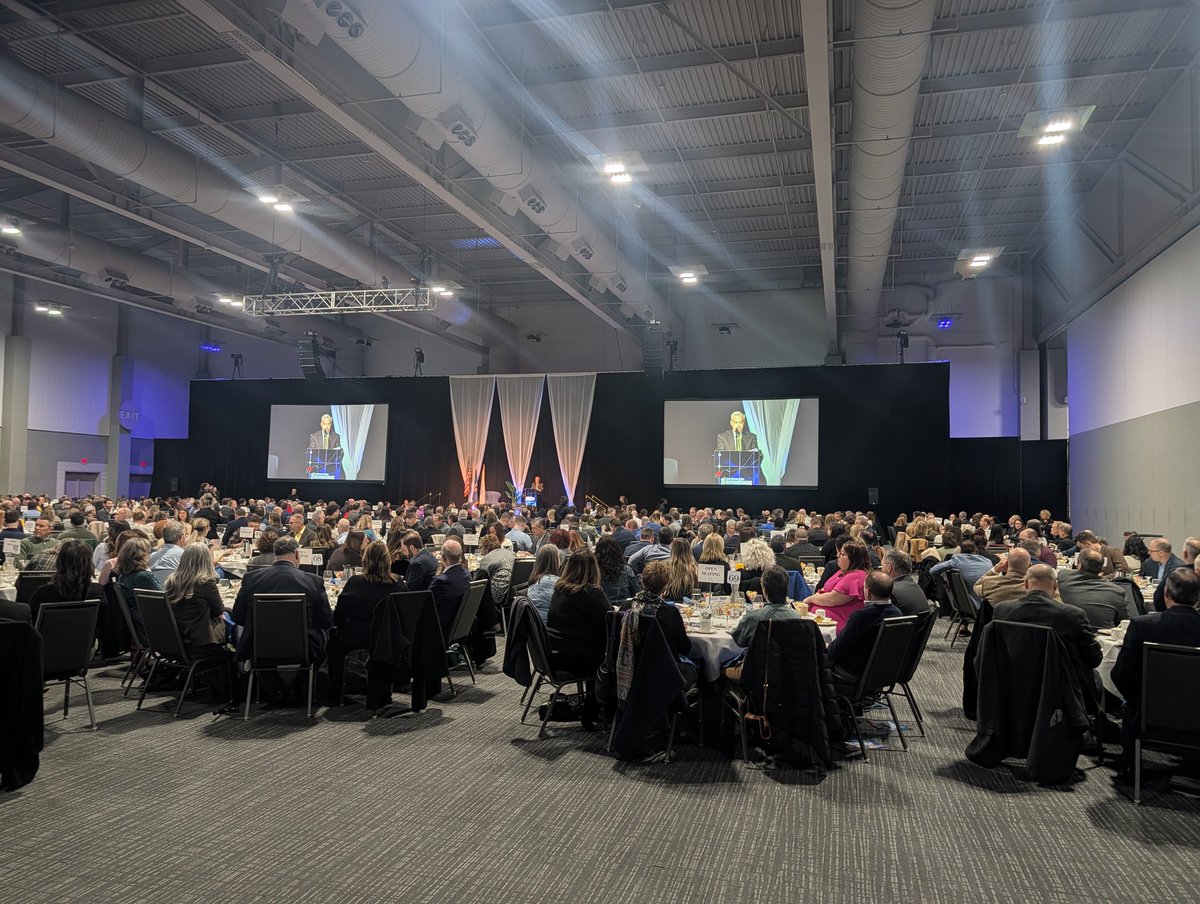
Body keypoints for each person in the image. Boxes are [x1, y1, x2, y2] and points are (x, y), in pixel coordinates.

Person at [1110, 568, 1200, 771]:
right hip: (1196, 717)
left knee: (1130, 706)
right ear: (1197, 598)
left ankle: (1131, 767)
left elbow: (1120, 674)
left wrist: (1139, 700)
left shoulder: (1144, 625)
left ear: (1166, 593)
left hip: (1148, 714)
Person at [990, 564, 1101, 700]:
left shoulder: (1002, 610)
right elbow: (1093, 659)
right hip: (1061, 690)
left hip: (1011, 683)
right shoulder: (1073, 615)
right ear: (1055, 586)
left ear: (1026, 584)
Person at [232, 536, 333, 669]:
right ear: (297, 554)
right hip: (304, 648)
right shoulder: (313, 581)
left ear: (275, 554)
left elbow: (237, 617)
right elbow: (326, 621)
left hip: (259, 646)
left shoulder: (251, 579)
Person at [327, 541, 403, 704]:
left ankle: (336, 688)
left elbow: (339, 615)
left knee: (332, 640)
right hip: (388, 640)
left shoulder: (355, 582)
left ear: (365, 560)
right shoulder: (398, 583)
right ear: (388, 560)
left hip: (356, 637)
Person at [546, 550, 610, 722]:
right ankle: (601, 708)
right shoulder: (591, 594)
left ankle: (594, 705)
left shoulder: (559, 590)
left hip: (558, 654)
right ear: (593, 569)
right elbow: (608, 624)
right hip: (581, 659)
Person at [620, 560, 696, 687]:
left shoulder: (626, 607)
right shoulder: (669, 613)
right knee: (698, 665)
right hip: (665, 672)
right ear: (665, 586)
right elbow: (685, 648)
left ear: (642, 582)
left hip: (632, 669)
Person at [827, 570, 902, 698]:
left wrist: (826, 646)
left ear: (867, 592)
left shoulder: (861, 617)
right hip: (882, 674)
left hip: (852, 673)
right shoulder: (898, 615)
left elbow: (835, 651)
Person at [28, 539, 103, 625]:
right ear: (90, 565)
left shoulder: (42, 594)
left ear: (59, 563)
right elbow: (104, 626)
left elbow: (32, 624)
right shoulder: (98, 593)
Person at [729, 564, 802, 648]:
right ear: (787, 588)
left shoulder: (752, 618)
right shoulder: (796, 617)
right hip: (786, 656)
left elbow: (739, 641)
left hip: (758, 656)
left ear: (764, 590)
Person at [804, 540, 870, 630]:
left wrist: (810, 599)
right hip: (824, 619)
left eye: (842, 554)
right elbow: (823, 590)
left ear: (854, 559)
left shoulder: (856, 576)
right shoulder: (843, 571)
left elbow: (831, 599)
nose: (837, 555)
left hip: (841, 624)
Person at [1056, 548, 1126, 628]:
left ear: (1080, 565)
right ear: (1102, 567)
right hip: (1101, 634)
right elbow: (1123, 621)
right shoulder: (1117, 591)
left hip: (1066, 632)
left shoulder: (1063, 577)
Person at [114, 536, 160, 645]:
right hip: (151, 628)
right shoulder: (143, 577)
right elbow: (163, 601)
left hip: (139, 626)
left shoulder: (123, 576)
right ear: (142, 555)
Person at [929, 539, 993, 608]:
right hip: (988, 603)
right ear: (976, 550)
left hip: (966, 602)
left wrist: (944, 582)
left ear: (961, 551)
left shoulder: (957, 560)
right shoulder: (988, 562)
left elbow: (933, 570)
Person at [429, 539, 471, 637]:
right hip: (461, 626)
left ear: (443, 558)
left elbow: (427, 604)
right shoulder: (467, 575)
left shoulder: (441, 581)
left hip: (441, 629)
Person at [881, 549, 931, 616]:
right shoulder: (916, 586)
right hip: (921, 622)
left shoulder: (891, 591)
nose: (881, 569)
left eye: (882, 565)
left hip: (905, 622)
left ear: (889, 568)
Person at [1144, 537, 1188, 611]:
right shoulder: (1149, 563)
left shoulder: (1178, 567)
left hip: (1168, 604)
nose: (1148, 553)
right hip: (1153, 599)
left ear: (1161, 553)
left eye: (1151, 551)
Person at [476, 533, 515, 612]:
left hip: (498, 596)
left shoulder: (486, 559)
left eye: (481, 547)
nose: (481, 551)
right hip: (515, 592)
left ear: (487, 547)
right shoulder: (512, 554)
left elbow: (481, 580)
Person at [525, 544, 563, 622]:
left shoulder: (534, 581)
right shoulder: (554, 582)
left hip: (536, 625)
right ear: (556, 561)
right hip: (549, 625)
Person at [595, 535, 639, 603]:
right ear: (618, 551)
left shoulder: (593, 570)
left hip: (600, 606)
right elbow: (636, 592)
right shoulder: (626, 570)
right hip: (622, 606)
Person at [661, 538, 698, 603]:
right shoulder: (695, 569)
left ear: (672, 550)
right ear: (689, 550)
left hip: (668, 603)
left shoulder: (665, 567)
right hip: (689, 604)